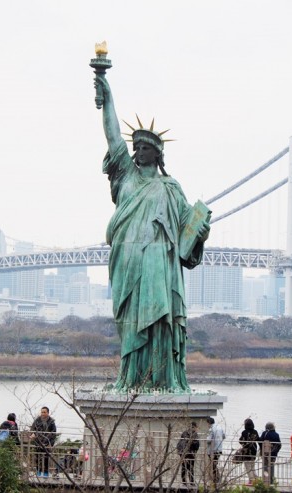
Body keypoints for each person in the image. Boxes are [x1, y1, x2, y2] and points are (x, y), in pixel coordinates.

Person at [94, 73, 211, 392]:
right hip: (127, 259)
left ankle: (162, 378)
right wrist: (108, 96)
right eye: (138, 146)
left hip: (159, 263)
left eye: (146, 147)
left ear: (158, 154)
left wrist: (201, 228)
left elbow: (188, 230)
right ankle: (130, 377)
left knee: (160, 318)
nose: (139, 150)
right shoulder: (126, 177)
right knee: (130, 320)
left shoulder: (170, 188)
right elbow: (113, 137)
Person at [30, 406, 57, 478]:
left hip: (47, 442)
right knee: (38, 457)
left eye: (44, 412)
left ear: (48, 413)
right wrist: (33, 434)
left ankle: (45, 472)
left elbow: (54, 433)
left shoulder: (51, 421)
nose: (43, 413)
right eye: (42, 412)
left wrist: (51, 443)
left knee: (46, 458)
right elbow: (32, 429)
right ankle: (38, 470)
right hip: (38, 441)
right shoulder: (37, 420)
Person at [238, 418, 260, 485]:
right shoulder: (255, 432)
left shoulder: (244, 432)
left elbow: (240, 440)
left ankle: (251, 480)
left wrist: (243, 445)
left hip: (247, 450)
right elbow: (259, 440)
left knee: (248, 466)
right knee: (252, 466)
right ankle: (256, 479)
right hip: (254, 450)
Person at [206, 417, 225, 485]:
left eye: (207, 423)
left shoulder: (211, 429)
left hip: (212, 450)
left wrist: (206, 438)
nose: (207, 425)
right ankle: (217, 478)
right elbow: (224, 436)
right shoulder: (220, 427)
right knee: (215, 464)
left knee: (213, 465)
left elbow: (208, 440)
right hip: (219, 448)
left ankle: (216, 479)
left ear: (209, 423)